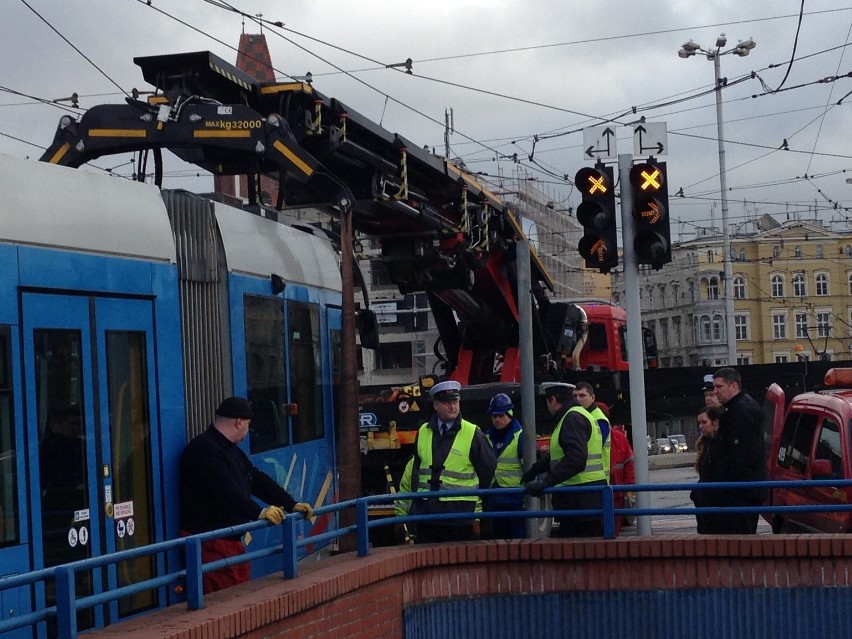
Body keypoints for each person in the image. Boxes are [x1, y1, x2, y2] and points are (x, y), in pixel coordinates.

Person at [179, 397, 314, 593]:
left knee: (240, 595)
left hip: (227, 542)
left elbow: (257, 480)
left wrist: (291, 504)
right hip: (211, 542)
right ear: (238, 422)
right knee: (226, 600)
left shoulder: (230, 451)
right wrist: (259, 512)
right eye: (248, 425)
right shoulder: (204, 450)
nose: (247, 432)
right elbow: (226, 492)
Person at [409, 380, 497, 543]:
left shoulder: (473, 433)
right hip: (427, 515)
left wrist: (478, 514)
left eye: (455, 401)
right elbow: (416, 472)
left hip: (460, 517)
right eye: (447, 402)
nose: (453, 407)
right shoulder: (423, 431)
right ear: (435, 405)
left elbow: (487, 472)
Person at [522, 382, 607, 538]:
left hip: (579, 500)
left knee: (577, 553)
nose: (547, 408)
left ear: (553, 400)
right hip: (584, 499)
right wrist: (535, 469)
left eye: (548, 402)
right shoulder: (577, 415)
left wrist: (546, 482)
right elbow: (558, 455)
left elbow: (575, 459)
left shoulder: (571, 418)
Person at [707, 367, 766, 534]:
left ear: (734, 386)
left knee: (738, 539)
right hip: (741, 490)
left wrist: (726, 483)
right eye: (714, 387)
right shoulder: (738, 408)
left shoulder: (740, 412)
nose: (715, 392)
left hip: (739, 492)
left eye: (719, 387)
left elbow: (742, 454)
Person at [483, 393, 526, 539]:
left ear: (510, 415)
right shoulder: (487, 437)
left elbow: (529, 469)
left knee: (518, 544)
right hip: (493, 499)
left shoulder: (520, 437)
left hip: (515, 499)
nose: (497, 419)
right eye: (494, 416)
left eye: (501, 416)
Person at [601, 403, 635, 535]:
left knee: (613, 531)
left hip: (616, 493)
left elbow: (629, 463)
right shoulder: (617, 437)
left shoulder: (618, 437)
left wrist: (630, 490)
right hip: (600, 492)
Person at [690, 405, 723, 534]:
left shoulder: (718, 445)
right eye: (699, 423)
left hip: (713, 502)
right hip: (705, 501)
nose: (700, 426)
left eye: (704, 422)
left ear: (715, 423)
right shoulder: (706, 444)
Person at [573, 382, 611, 481]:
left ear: (592, 397)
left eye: (582, 395)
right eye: (575, 396)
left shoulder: (599, 419)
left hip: (594, 480)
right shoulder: (579, 416)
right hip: (584, 479)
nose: (577, 399)